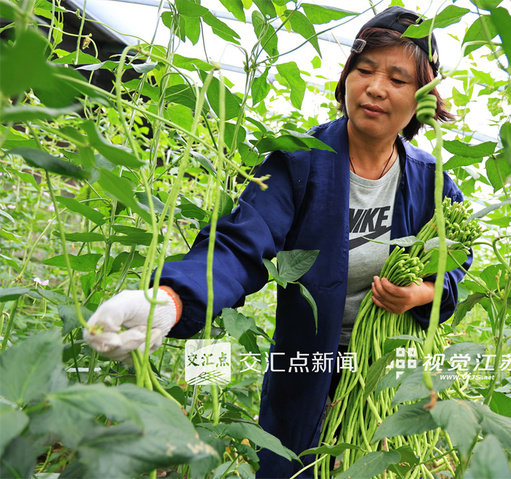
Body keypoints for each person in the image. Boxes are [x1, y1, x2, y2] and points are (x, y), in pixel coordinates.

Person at [84, 6, 471, 478]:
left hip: (388, 367)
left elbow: (455, 257)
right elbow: (241, 243)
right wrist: (171, 298)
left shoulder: (433, 182)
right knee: (290, 463)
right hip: (306, 360)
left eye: (397, 78)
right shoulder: (300, 162)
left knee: (375, 462)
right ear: (346, 78)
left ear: (423, 97)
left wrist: (425, 292)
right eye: (364, 70)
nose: (374, 87)